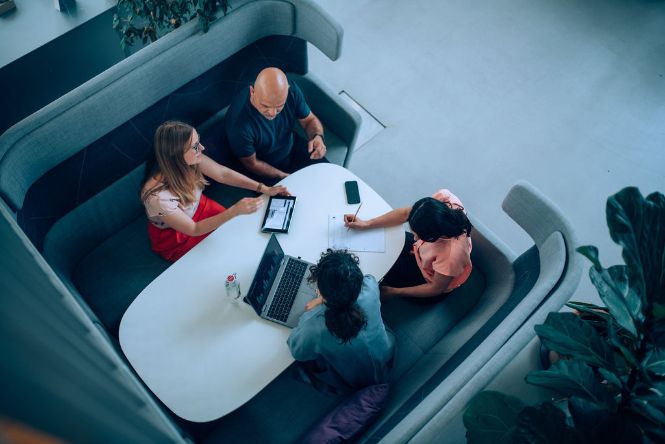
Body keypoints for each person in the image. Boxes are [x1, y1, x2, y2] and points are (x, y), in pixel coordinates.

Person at [141, 121, 289, 262]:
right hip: (178, 234)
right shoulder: (157, 197)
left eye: (198, 141)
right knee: (225, 251)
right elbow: (193, 229)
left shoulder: (190, 159)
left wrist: (264, 188)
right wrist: (234, 211)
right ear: (177, 156)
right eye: (195, 147)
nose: (202, 148)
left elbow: (222, 174)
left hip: (199, 207)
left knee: (239, 233)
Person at [287, 250, 395, 392]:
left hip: (354, 380)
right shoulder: (370, 286)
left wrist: (312, 309)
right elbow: (367, 278)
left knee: (301, 366)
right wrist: (325, 298)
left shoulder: (313, 327)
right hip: (386, 354)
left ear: (320, 289)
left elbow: (297, 351)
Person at [345, 189, 473, 299]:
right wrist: (367, 224)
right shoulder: (443, 200)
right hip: (423, 256)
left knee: (374, 274)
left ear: (436, 234)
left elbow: (435, 288)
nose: (415, 238)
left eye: (420, 235)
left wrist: (394, 292)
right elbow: (406, 213)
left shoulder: (452, 256)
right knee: (381, 239)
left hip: (428, 279)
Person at [224, 67, 328, 184]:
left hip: (292, 147)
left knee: (327, 177)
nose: (272, 113)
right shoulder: (238, 123)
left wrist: (317, 137)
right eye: (266, 106)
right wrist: (282, 176)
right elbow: (252, 164)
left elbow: (309, 120)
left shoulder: (292, 91)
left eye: (279, 107)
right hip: (265, 168)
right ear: (252, 92)